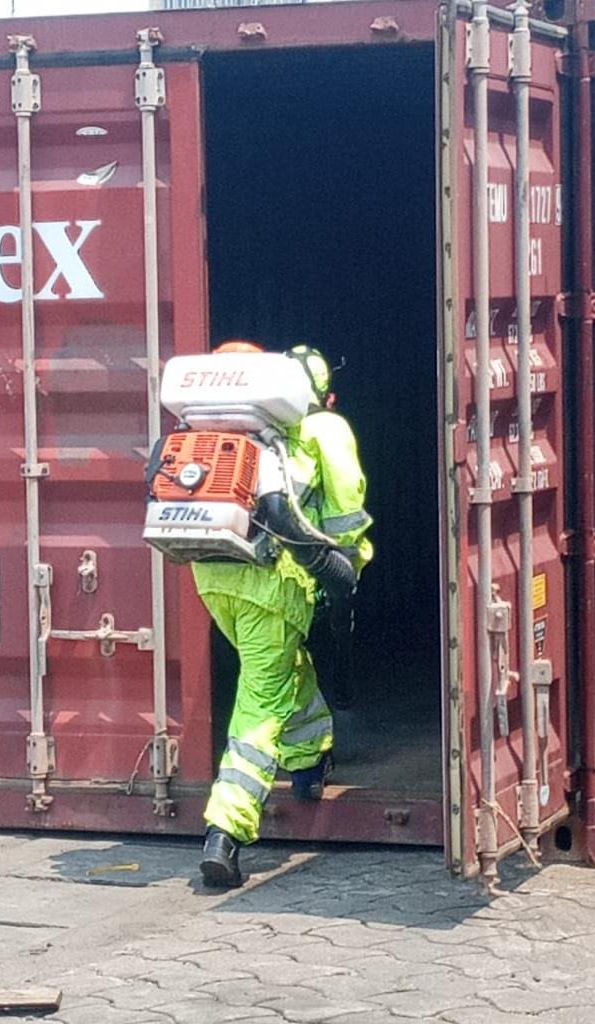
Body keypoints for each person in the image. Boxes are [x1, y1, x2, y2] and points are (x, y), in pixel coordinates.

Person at [192, 341, 373, 888]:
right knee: (260, 705)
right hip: (273, 585)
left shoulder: (233, 430)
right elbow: (345, 512)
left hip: (214, 576)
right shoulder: (323, 428)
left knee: (278, 668)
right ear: (324, 395)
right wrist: (348, 568)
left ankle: (310, 760)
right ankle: (225, 832)